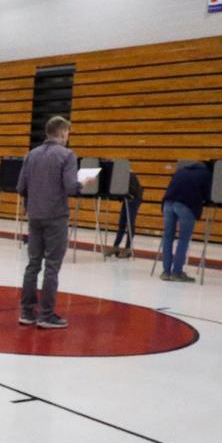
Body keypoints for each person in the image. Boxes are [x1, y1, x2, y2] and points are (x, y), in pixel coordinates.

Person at [17, 116, 93, 329]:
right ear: (61, 133)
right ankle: (46, 314)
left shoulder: (31, 155)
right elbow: (70, 187)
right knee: (52, 266)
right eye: (67, 133)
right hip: (56, 216)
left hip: (35, 215)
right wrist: (83, 182)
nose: (68, 137)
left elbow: (21, 186)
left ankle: (26, 312)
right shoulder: (67, 155)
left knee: (33, 264)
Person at [160, 161, 212, 282]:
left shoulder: (181, 171)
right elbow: (208, 195)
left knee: (168, 237)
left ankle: (166, 272)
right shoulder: (206, 174)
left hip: (168, 203)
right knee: (183, 239)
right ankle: (177, 272)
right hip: (186, 205)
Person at [103, 172, 143, 258]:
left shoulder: (129, 176)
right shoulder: (119, 175)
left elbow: (132, 191)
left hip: (134, 198)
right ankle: (116, 246)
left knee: (130, 223)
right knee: (122, 222)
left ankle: (128, 248)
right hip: (127, 198)